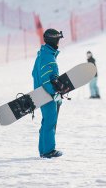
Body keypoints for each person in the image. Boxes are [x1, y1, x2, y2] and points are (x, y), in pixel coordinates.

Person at [32, 28, 65, 158]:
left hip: (41, 93)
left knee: (46, 121)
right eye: (57, 40)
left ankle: (43, 150)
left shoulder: (42, 54)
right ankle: (48, 151)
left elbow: (34, 74)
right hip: (46, 94)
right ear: (53, 40)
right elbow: (46, 81)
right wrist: (54, 92)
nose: (58, 43)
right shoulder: (48, 58)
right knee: (50, 121)